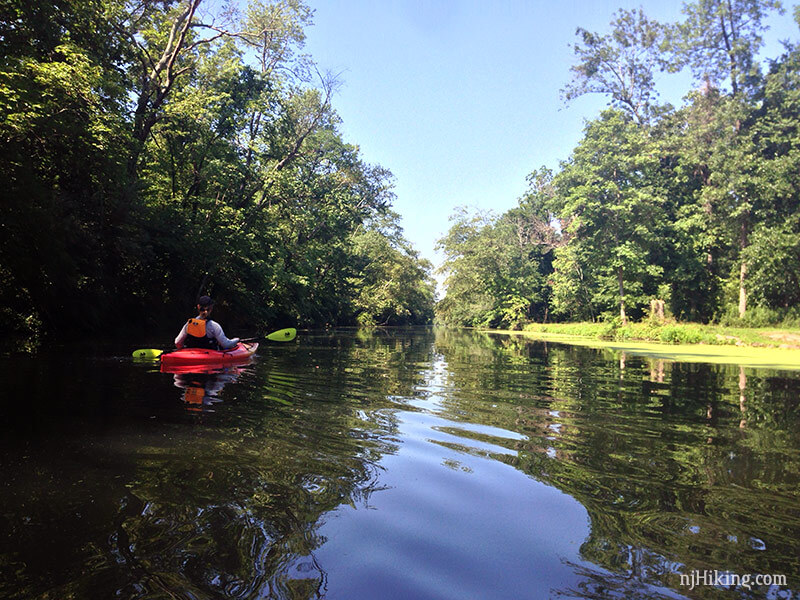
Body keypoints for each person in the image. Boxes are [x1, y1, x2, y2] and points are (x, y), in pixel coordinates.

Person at [175, 296, 240, 350]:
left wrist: (183, 350)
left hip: (190, 354)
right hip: (210, 356)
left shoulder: (189, 324)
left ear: (198, 307)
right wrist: (236, 340)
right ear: (211, 308)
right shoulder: (214, 326)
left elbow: (177, 342)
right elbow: (226, 345)